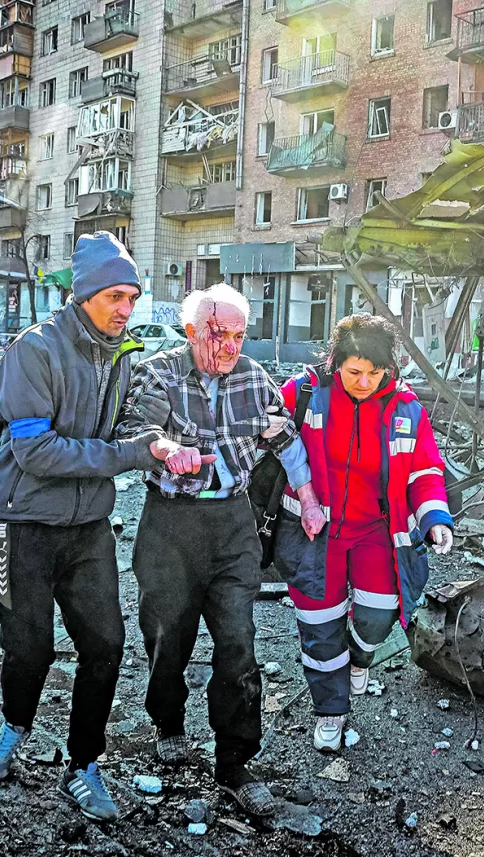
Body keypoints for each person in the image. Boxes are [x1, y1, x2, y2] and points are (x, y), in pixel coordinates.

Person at [0, 232, 169, 823]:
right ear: (84, 295)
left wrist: (157, 438)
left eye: (133, 298)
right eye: (115, 296)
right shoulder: (34, 350)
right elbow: (36, 454)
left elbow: (129, 426)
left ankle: (83, 764)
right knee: (28, 649)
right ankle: (13, 727)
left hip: (88, 526)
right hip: (19, 522)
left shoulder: (122, 354)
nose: (125, 308)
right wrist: (130, 454)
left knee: (106, 646)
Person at [116, 282, 314, 817]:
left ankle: (234, 762)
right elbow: (137, 427)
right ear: (190, 330)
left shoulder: (254, 375)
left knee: (238, 642)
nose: (228, 345)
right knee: (165, 635)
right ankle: (169, 722)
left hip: (232, 522)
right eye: (216, 333)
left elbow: (285, 439)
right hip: (171, 525)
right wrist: (165, 447)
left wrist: (311, 500)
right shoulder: (159, 371)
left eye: (237, 334)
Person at [274, 314, 454, 752]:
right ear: (335, 362)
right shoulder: (304, 395)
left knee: (377, 615)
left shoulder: (406, 408)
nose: (364, 382)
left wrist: (435, 519)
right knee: (319, 624)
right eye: (354, 372)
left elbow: (425, 471)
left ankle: (359, 657)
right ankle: (330, 711)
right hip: (315, 532)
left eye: (375, 373)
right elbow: (266, 443)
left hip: (377, 531)